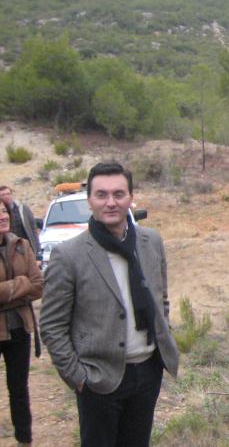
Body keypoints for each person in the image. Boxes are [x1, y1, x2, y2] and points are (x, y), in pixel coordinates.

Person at [40, 162, 180, 446]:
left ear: (131, 197)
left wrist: (161, 342)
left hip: (148, 370)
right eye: (101, 195)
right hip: (99, 379)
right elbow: (52, 326)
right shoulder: (69, 255)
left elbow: (160, 298)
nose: (111, 202)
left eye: (119, 194)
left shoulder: (151, 241)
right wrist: (79, 378)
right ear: (89, 200)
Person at [0, 199, 44, 447]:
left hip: (19, 327)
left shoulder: (21, 245)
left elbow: (37, 286)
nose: (2, 216)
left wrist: (6, 292)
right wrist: (19, 286)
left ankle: (24, 440)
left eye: (4, 211)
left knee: (19, 389)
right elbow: (27, 285)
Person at [0, 186, 40, 257]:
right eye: (3, 195)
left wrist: (37, 251)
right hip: (10, 249)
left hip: (27, 247)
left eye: (8, 194)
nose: (6, 196)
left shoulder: (23, 208)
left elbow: (33, 229)